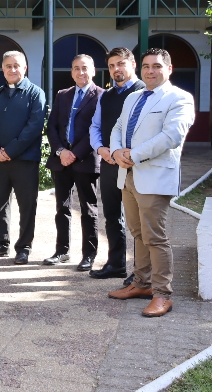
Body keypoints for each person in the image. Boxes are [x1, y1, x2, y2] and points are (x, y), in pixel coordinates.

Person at [107, 48, 194, 317]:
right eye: (146, 66)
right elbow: (118, 128)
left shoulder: (179, 98)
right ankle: (142, 284)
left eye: (156, 66)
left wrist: (133, 154)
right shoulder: (133, 97)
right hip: (128, 175)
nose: (150, 71)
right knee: (138, 234)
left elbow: (172, 136)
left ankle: (162, 294)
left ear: (169, 69)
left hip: (154, 175)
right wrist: (116, 151)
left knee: (155, 237)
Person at [0, 51, 46, 265]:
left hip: (25, 160)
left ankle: (24, 247)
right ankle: (0, 244)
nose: (12, 69)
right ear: (3, 68)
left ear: (25, 68)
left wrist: (10, 150)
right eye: (8, 66)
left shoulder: (36, 93)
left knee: (27, 206)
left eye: (17, 65)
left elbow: (34, 127)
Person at [89, 47, 145, 284]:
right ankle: (116, 263)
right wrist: (101, 149)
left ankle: (142, 271)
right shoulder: (107, 95)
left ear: (132, 63)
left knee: (140, 221)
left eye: (121, 64)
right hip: (110, 163)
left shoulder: (144, 92)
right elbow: (95, 126)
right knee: (112, 215)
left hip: (137, 165)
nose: (116, 70)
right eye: (112, 66)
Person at [43, 55, 104, 271]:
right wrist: (61, 151)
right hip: (61, 161)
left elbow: (95, 131)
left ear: (93, 71)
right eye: (76, 68)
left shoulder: (100, 96)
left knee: (88, 209)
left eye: (85, 68)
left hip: (85, 160)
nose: (81, 73)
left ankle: (89, 255)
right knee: (62, 208)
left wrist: (74, 154)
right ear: (71, 72)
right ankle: (62, 251)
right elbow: (52, 127)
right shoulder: (63, 95)